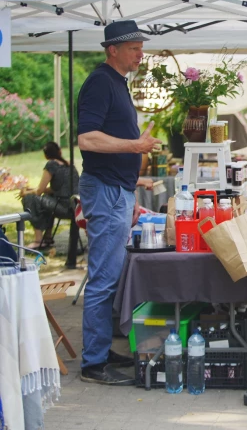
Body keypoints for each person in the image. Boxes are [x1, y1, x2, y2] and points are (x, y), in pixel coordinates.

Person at [77, 20, 161, 385]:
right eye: (133, 48)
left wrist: (133, 174)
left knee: (109, 275)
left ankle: (100, 350)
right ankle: (93, 364)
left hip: (116, 188)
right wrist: (135, 148)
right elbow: (88, 140)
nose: (140, 54)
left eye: (141, 47)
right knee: (103, 278)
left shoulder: (117, 83)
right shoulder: (100, 82)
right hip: (107, 191)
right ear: (112, 49)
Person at [18, 142, 80, 249]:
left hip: (63, 207)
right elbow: (54, 189)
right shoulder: (70, 165)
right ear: (59, 151)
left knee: (30, 199)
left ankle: (38, 239)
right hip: (75, 207)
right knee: (47, 199)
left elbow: (39, 191)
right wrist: (32, 189)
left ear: (46, 156)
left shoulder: (51, 165)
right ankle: (48, 236)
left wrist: (25, 193)